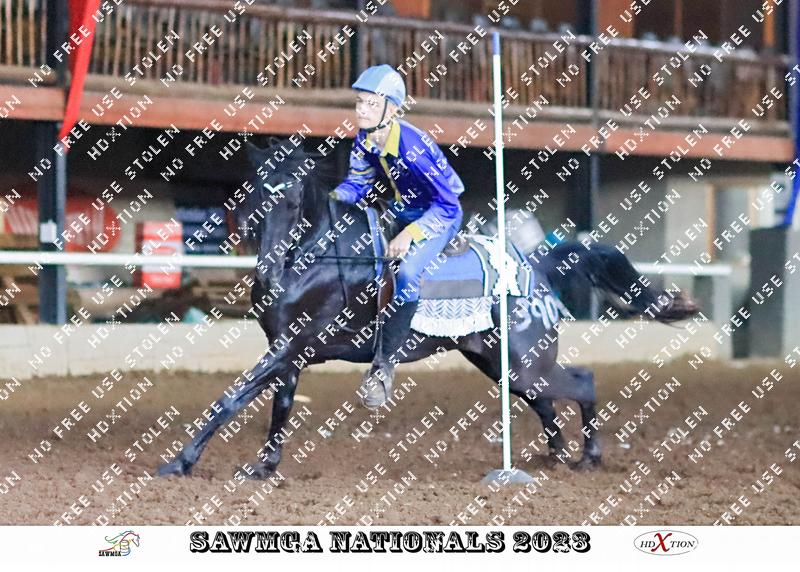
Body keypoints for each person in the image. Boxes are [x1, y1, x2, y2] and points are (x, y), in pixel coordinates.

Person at [329, 64, 465, 409]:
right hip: (402, 209)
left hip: (439, 214)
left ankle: (385, 368)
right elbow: (358, 183)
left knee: (406, 273)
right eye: (359, 102)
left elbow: (448, 203)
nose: (361, 110)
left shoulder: (413, 148)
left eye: (371, 104)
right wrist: (331, 200)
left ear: (391, 110)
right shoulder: (365, 138)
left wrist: (409, 234)